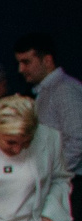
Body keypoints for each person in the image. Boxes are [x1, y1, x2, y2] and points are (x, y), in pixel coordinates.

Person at [12, 32, 82, 174]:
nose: (20, 70)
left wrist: (50, 173)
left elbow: (78, 140)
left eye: (26, 62)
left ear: (47, 61)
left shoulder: (64, 90)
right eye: (19, 63)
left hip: (71, 183)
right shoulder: (46, 91)